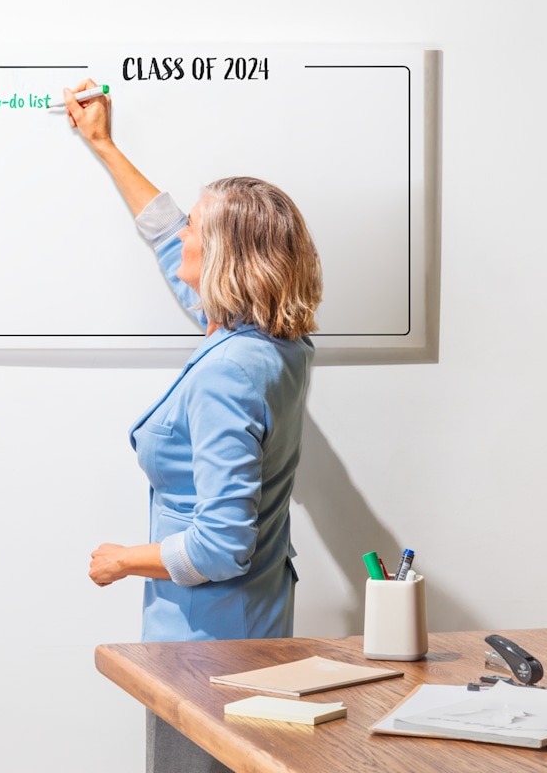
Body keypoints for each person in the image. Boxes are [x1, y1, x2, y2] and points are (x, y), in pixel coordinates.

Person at [63, 80, 322, 772]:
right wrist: (104, 145)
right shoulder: (273, 342)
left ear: (228, 259)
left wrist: (124, 559)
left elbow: (220, 545)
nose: (182, 233)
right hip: (250, 632)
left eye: (196, 231)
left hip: (208, 648)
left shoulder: (228, 371)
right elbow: (163, 233)